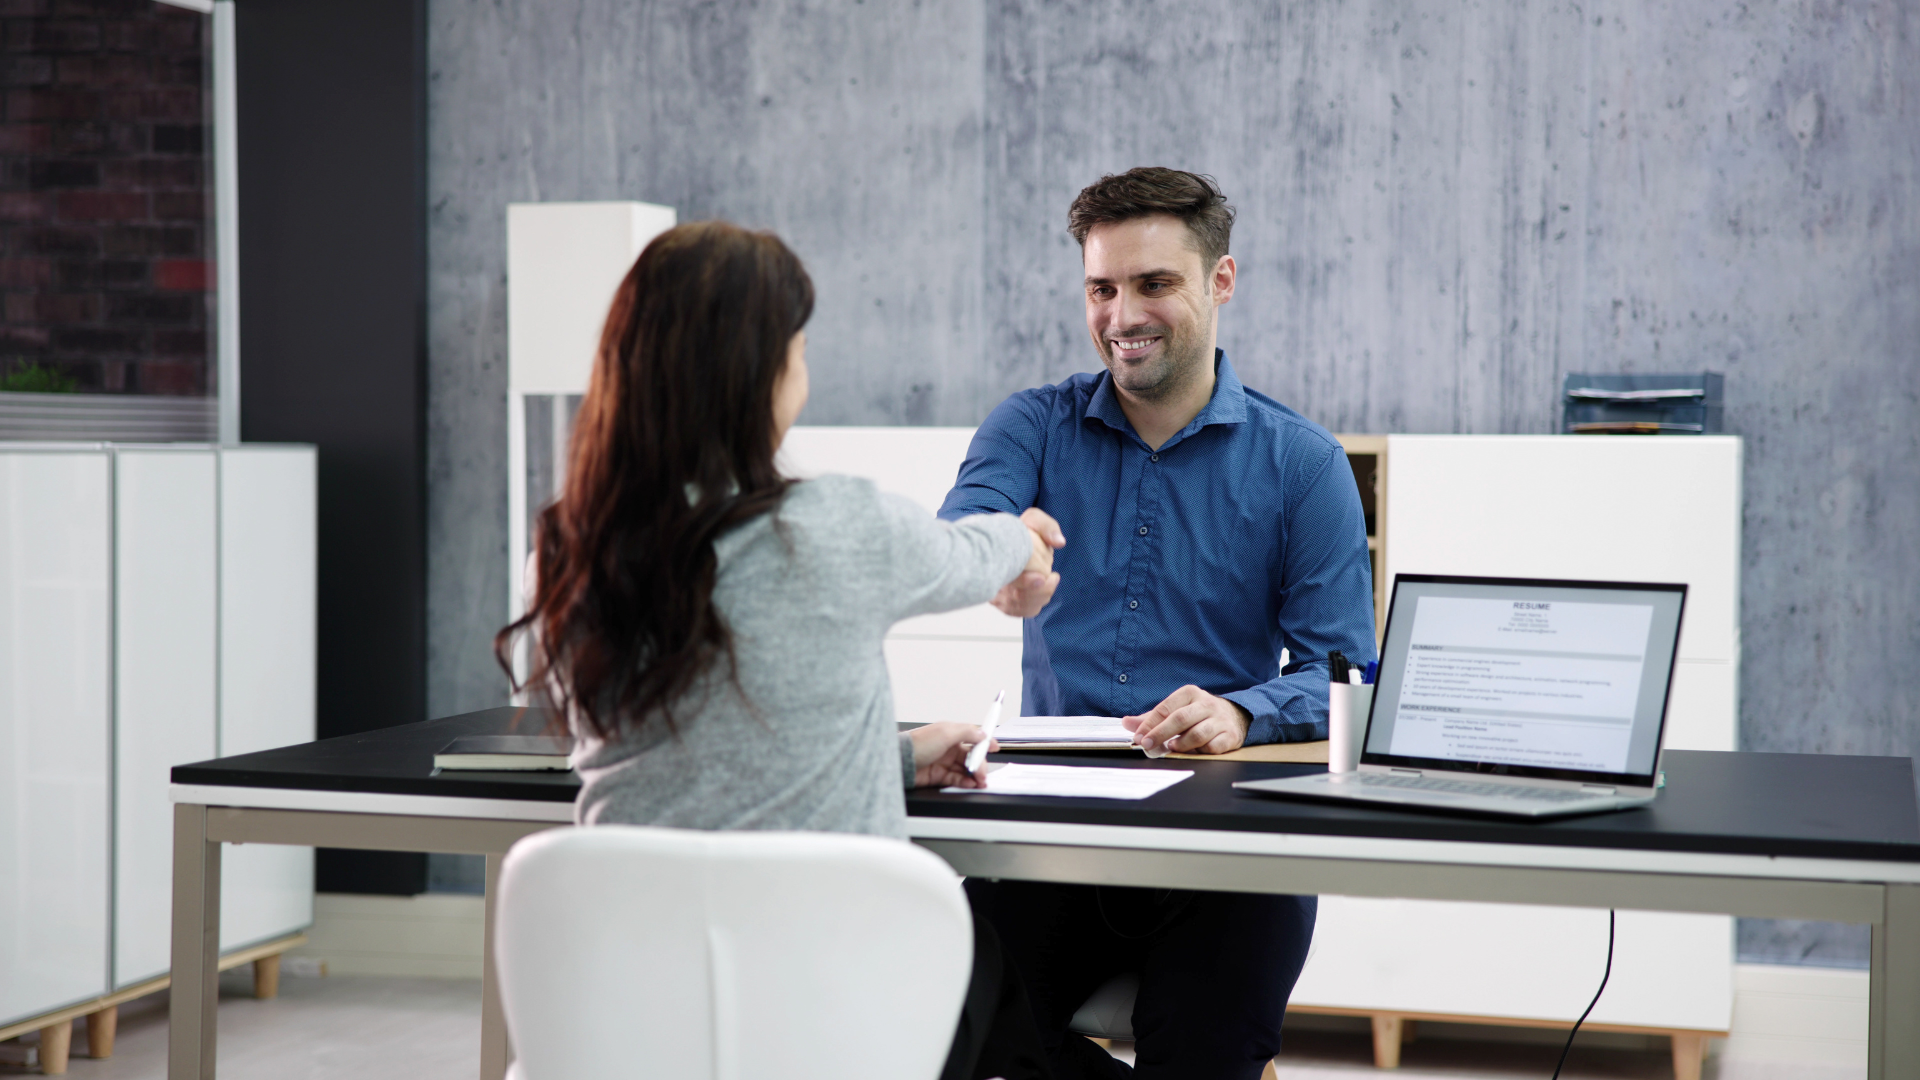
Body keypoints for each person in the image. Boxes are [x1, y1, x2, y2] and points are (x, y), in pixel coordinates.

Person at [497, 220, 1065, 1080]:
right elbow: (979, 553)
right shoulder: (830, 526)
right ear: (759, 372)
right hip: (836, 1022)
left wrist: (903, 758)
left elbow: (704, 753)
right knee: (988, 972)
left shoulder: (569, 550)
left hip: (638, 1019)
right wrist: (1025, 541)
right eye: (797, 347)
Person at [938, 168, 1378, 1078]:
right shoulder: (1032, 424)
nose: (1121, 315)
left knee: (1204, 1055)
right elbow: (970, 518)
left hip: (1230, 858)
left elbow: (1346, 674)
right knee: (935, 1018)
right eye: (1101, 288)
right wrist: (999, 547)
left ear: (1220, 281)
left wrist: (1248, 712)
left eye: (1153, 284)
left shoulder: (1304, 466)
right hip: (1055, 844)